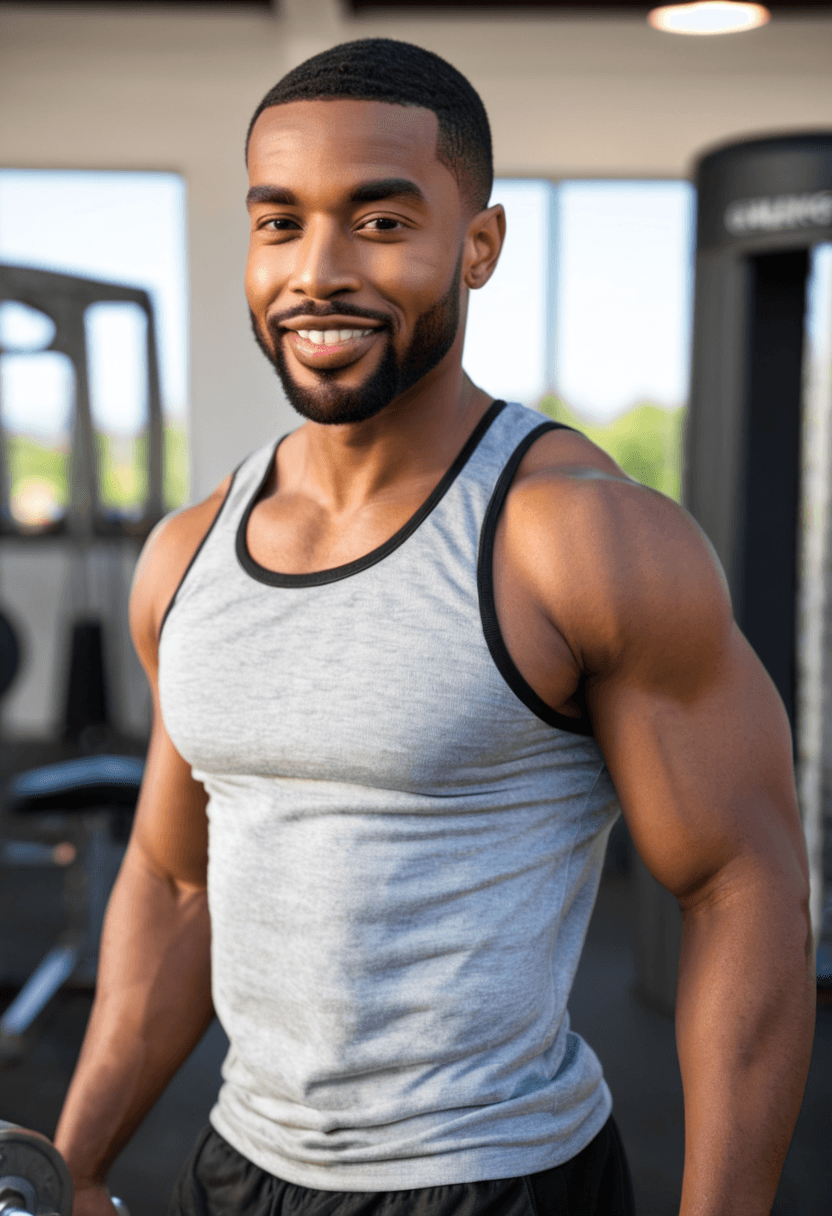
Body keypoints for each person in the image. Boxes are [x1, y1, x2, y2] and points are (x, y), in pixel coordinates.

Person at [53, 38, 814, 1216]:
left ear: (479, 244)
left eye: (379, 222)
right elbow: (173, 880)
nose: (318, 271)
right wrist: (79, 1158)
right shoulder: (186, 553)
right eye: (278, 223)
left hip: (495, 1180)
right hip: (237, 1169)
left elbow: (737, 883)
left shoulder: (579, 537)